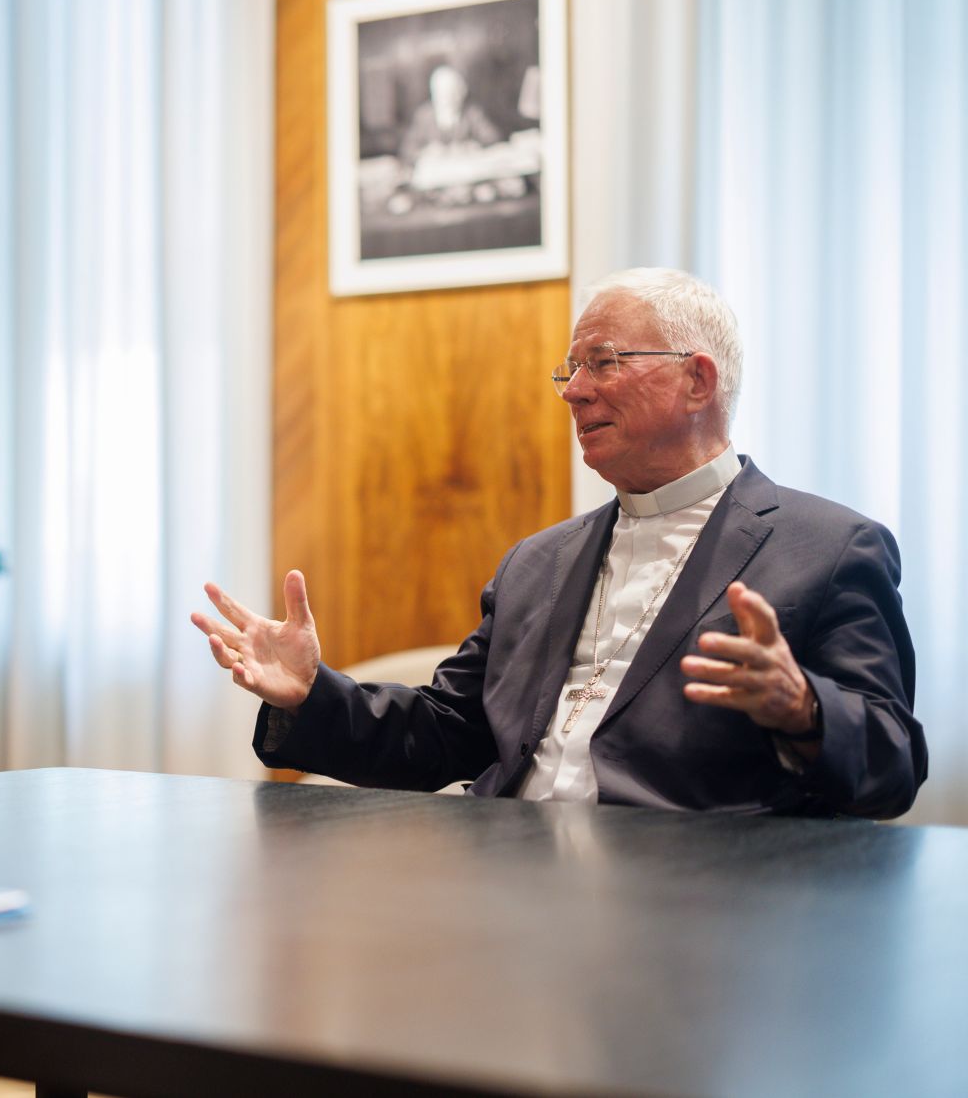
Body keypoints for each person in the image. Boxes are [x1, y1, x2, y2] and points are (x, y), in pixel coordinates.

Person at [193, 268, 924, 817]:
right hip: (507, 888)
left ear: (698, 380)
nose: (573, 391)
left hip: (693, 915)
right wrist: (311, 695)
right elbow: (449, 732)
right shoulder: (537, 562)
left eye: (603, 362)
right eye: (568, 370)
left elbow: (893, 765)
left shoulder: (828, 548)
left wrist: (804, 708)